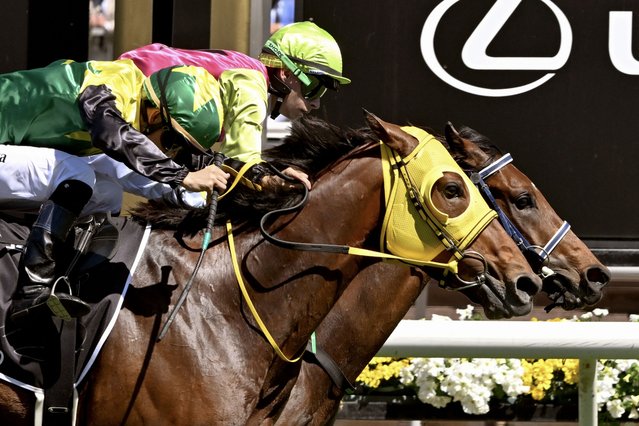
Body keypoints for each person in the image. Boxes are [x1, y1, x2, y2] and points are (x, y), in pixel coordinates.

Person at [0, 20, 349, 322]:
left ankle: (67, 277)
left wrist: (247, 173)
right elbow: (114, 135)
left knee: (105, 192)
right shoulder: (110, 89)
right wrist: (184, 176)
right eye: (316, 86)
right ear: (287, 73)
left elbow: (181, 154)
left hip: (42, 142)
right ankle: (31, 296)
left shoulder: (152, 101)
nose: (317, 102)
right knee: (77, 175)